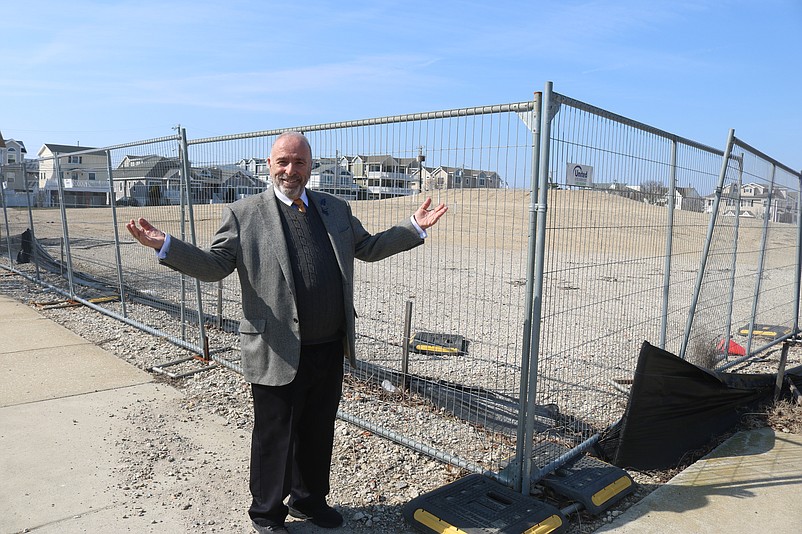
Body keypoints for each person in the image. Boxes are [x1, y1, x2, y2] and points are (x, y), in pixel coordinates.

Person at [126, 131, 447, 534]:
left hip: (329, 345)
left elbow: (367, 247)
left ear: (311, 166)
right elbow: (215, 265)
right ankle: (266, 514)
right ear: (269, 165)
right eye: (283, 161)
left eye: (298, 162)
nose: (290, 170)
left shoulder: (335, 208)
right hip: (276, 346)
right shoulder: (245, 213)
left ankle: (309, 501)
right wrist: (167, 246)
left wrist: (413, 226)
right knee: (274, 437)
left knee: (317, 429)